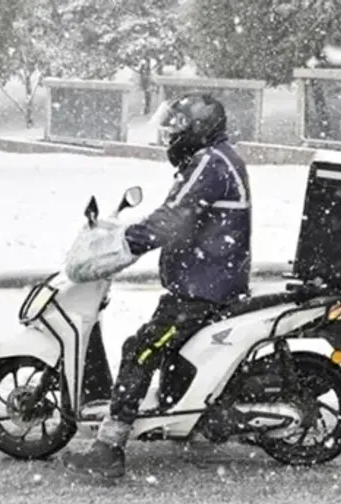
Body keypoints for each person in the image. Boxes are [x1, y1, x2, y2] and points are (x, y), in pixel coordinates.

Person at [60, 93, 252, 480]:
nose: (170, 136)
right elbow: (177, 214)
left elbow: (174, 219)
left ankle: (109, 449)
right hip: (206, 282)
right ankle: (195, 422)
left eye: (177, 128)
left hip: (202, 290)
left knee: (140, 351)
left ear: (198, 129)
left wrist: (126, 245)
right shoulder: (213, 159)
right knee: (169, 353)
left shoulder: (210, 163)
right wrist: (129, 231)